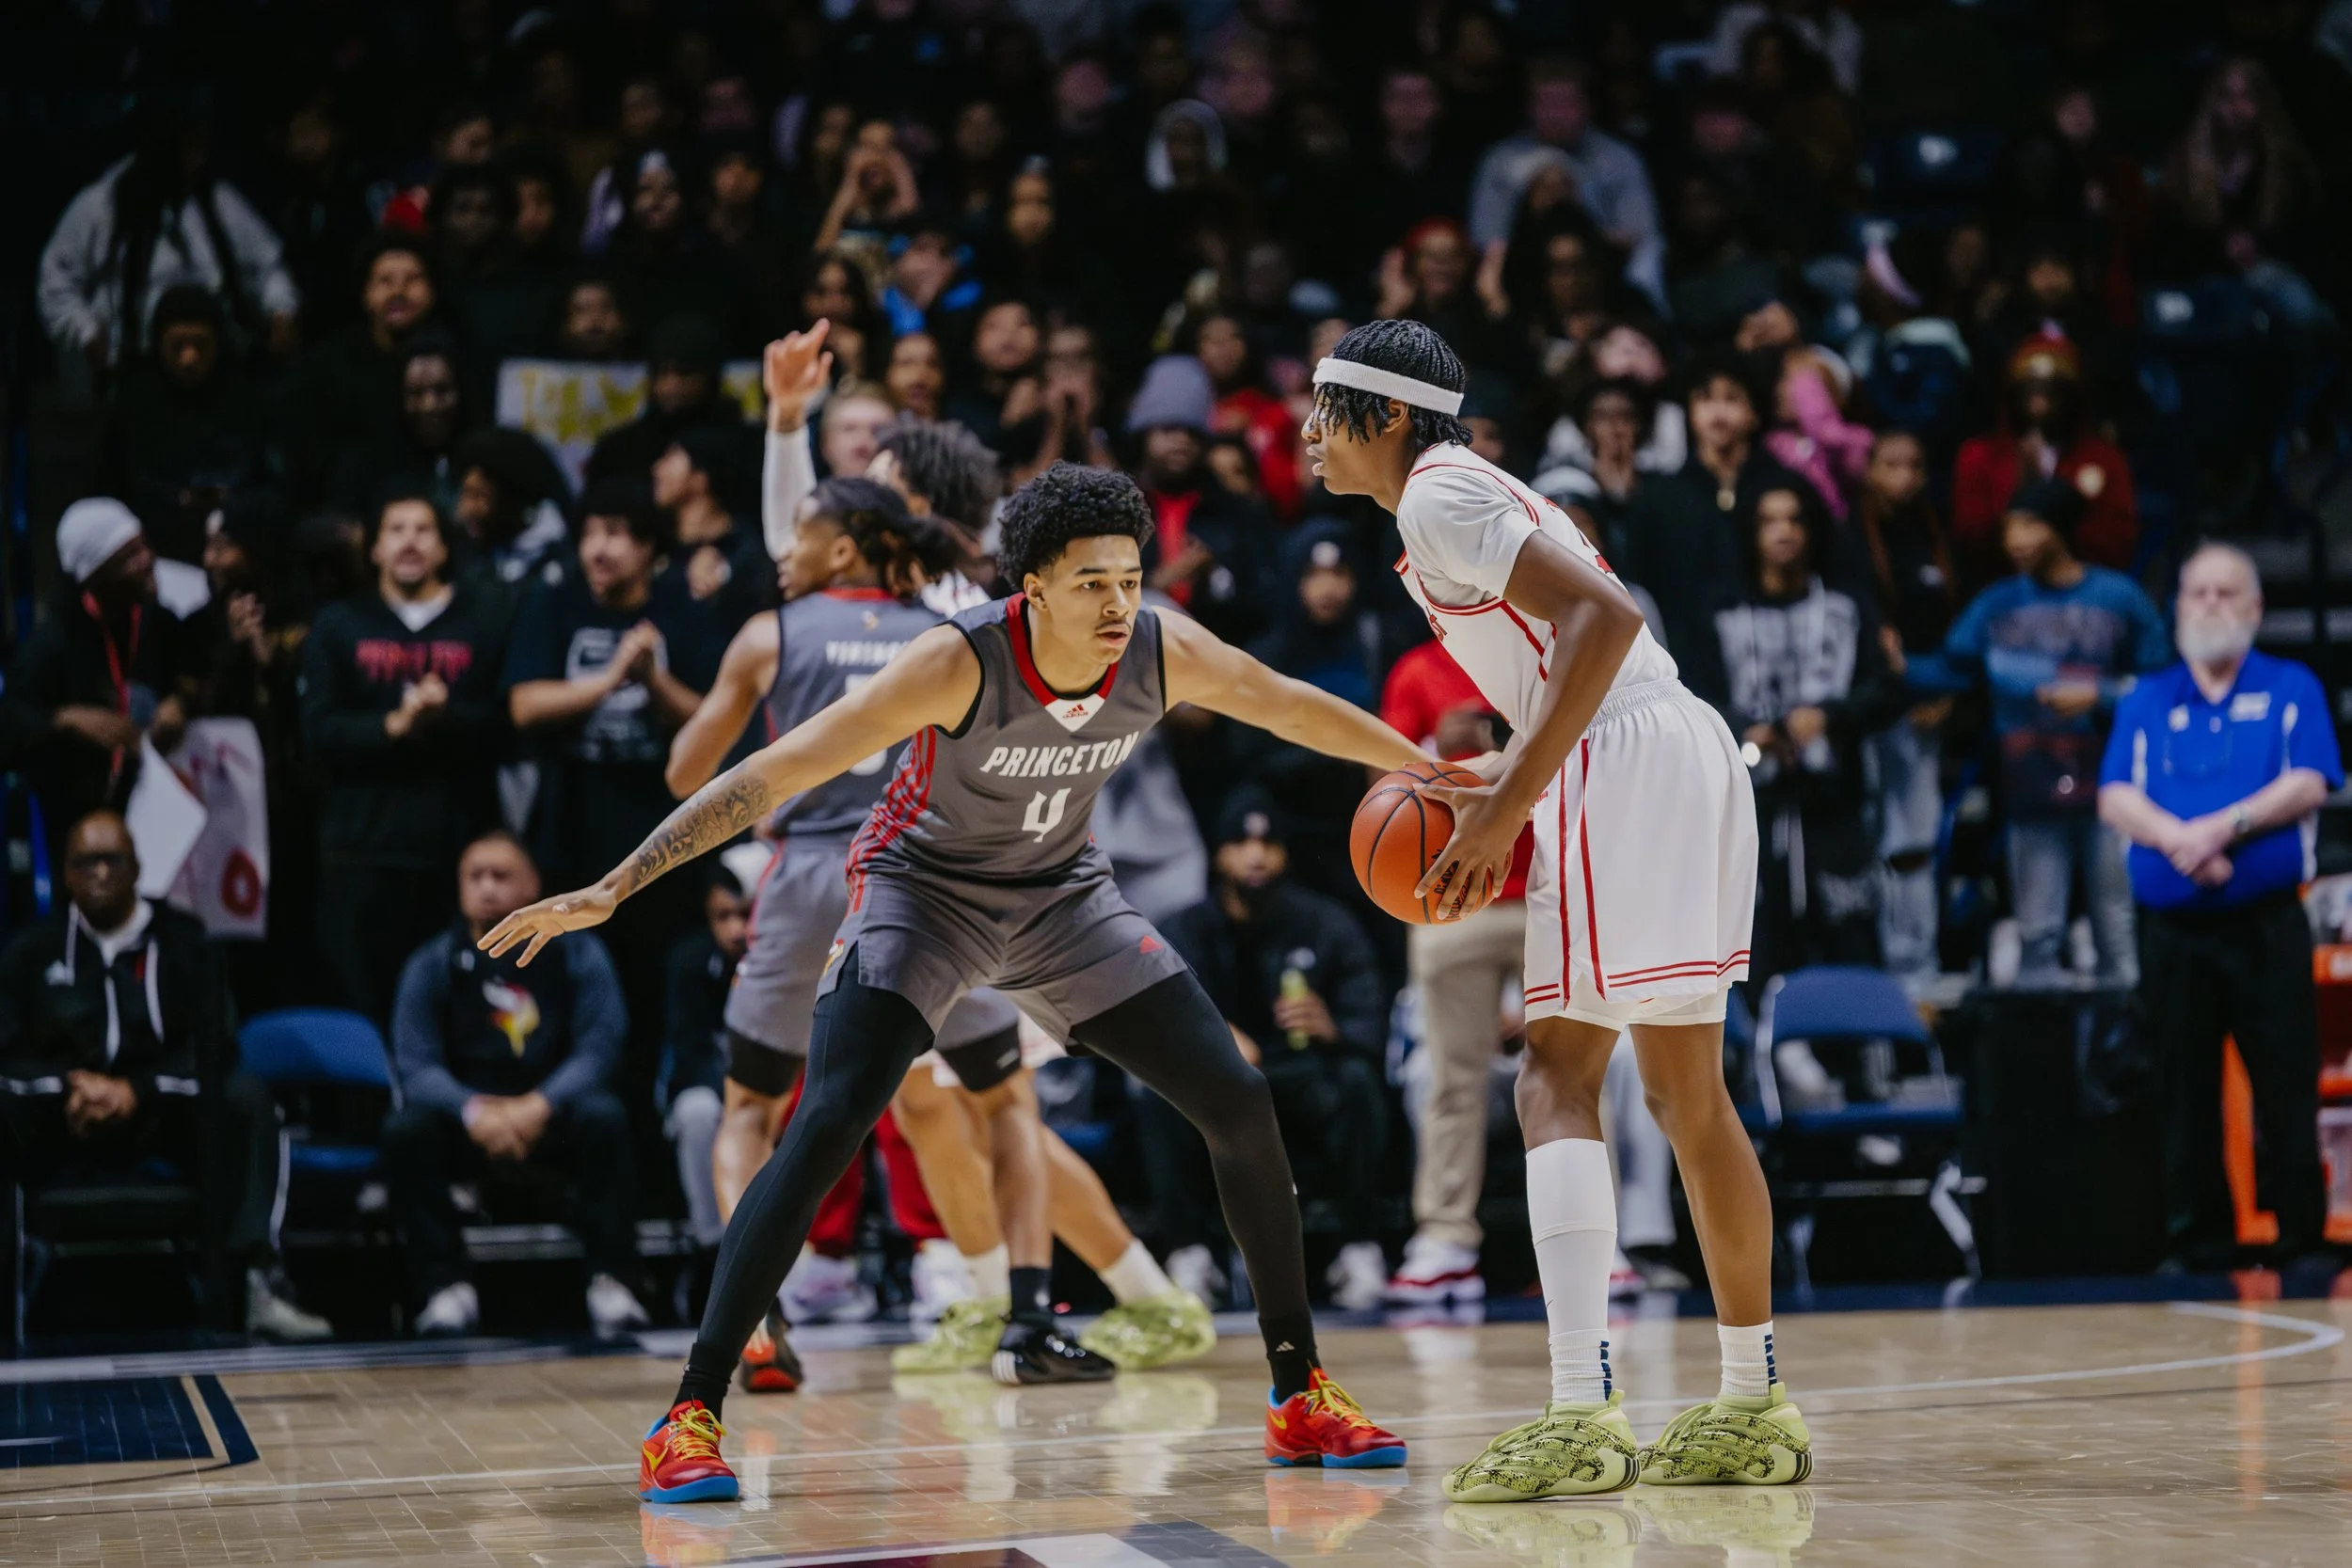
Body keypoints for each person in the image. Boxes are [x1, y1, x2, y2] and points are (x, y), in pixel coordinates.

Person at [485, 462, 1425, 1501]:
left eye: (1129, 578)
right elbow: (774, 771)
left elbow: (1287, 704)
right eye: (1091, 584)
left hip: (1064, 897)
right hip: (918, 898)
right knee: (829, 1116)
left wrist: (1421, 767)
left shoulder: (1161, 646)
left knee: (1239, 1100)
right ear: (1030, 586)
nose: (1118, 604)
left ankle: (1299, 1395)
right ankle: (689, 1410)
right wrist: (617, 883)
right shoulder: (959, 659)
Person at [1302, 319, 1804, 1499]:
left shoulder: (1435, 493)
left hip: (1619, 758)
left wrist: (1502, 805)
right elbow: (1588, 646)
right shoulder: (1460, 486)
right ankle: (1753, 1401)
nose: (1308, 437)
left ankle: (1582, 1412)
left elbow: (1607, 619)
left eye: (1325, 413)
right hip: (1672, 744)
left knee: (1552, 1076)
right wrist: (1505, 771)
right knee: (1686, 1093)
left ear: (1381, 417)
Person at [2099, 545, 2341, 1274]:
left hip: (2264, 923)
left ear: (2255, 608)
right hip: (2173, 930)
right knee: (2182, 1083)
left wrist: (2224, 826)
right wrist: (2182, 839)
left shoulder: (2290, 686)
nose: (2208, 604)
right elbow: (2116, 795)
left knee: (2285, 1080)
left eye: (2224, 592)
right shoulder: (2148, 697)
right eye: (2195, 591)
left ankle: (2302, 1236)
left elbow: (2310, 781)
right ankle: (2196, 1238)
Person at [0, 810, 330, 1342]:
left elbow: (215, 1046)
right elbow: (8, 1055)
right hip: (63, 1120)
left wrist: (138, 1091)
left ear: (137, 868)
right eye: (85, 862)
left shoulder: (185, 943)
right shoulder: (28, 953)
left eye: (113, 860)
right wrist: (69, 1085)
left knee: (247, 1099)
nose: (100, 874)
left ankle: (256, 1283)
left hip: (164, 1117)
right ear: (64, 875)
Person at [503, 481, 723, 1102]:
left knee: (655, 1004)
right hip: (570, 837)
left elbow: (716, 720)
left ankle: (653, 1164)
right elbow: (523, 703)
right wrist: (607, 680)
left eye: (618, 534)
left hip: (665, 845)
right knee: (570, 1003)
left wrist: (653, 680)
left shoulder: (683, 612)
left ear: (649, 546)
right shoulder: (555, 605)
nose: (600, 550)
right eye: (591, 534)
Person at [1906, 478, 2171, 986]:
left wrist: (2100, 696)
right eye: (2009, 529)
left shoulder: (2119, 597)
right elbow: (1954, 667)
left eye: (2030, 525)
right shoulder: (1996, 604)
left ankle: (2129, 1053)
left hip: (2113, 788)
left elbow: (2162, 687)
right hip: (2031, 786)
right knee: (2037, 931)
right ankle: (2044, 1057)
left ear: (2061, 529)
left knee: (2116, 925)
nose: (2017, 541)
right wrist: (1895, 666)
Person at [386, 832, 649, 1337]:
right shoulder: (432, 962)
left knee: (606, 1118)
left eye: (500, 876)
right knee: (406, 1132)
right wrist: (473, 1111)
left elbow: (602, 1045)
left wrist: (540, 1104)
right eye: (475, 876)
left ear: (533, 884)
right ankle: (444, 1288)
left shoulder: (578, 953)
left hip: (552, 1113)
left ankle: (613, 1280)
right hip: (470, 1120)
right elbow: (415, 1064)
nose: (486, 888)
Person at [1147, 792, 1392, 1310]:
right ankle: (1189, 1256)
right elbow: (1153, 1020)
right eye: (1240, 843)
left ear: (1286, 854)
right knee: (1151, 1093)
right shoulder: (1184, 929)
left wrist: (1334, 1027)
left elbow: (1369, 1022)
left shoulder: (1327, 924)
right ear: (1218, 855)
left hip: (1301, 1077)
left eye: (1268, 843)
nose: (1255, 856)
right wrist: (1213, 1038)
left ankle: (1359, 1249)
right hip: (1218, 1085)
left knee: (1356, 1082)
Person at [299, 495, 505, 1021]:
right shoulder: (338, 625)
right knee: (359, 1001)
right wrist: (393, 726)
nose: (410, 541)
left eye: (423, 529)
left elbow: (507, 722)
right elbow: (317, 731)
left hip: (454, 848)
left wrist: (445, 716)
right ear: (374, 549)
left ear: (442, 547)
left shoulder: (482, 620)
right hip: (361, 849)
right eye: (396, 530)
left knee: (456, 1004)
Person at [1377, 637, 1532, 1307]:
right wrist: (1438, 755)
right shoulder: (1414, 671)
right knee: (1448, 1076)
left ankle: (1599, 1237)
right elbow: (1380, 795)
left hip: (1547, 887)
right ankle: (1445, 1238)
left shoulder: (1539, 654)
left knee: (1580, 1072)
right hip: (1451, 895)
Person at [1708, 484, 1901, 988]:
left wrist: (1830, 717)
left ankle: (1859, 1058)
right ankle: (1770, 1059)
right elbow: (1690, 692)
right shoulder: (1720, 609)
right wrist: (1740, 729)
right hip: (1753, 802)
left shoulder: (1846, 607)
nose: (1784, 532)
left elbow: (1885, 690)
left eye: (1795, 520)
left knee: (1850, 931)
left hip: (1834, 800)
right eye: (1770, 520)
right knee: (1760, 939)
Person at [0, 499, 199, 864]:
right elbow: (9, 729)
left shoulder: (158, 622)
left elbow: (198, 671)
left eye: (143, 545)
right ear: (95, 575)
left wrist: (179, 700)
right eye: (128, 556)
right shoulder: (52, 644)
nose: (148, 560)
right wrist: (65, 720)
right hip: (85, 831)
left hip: (165, 816)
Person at [660, 868, 746, 1254]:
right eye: (723, 917)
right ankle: (713, 1245)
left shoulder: (792, 960)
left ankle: (817, 1255)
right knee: (697, 1113)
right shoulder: (689, 963)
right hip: (714, 1086)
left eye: (745, 914)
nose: (736, 930)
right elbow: (688, 1050)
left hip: (781, 1088)